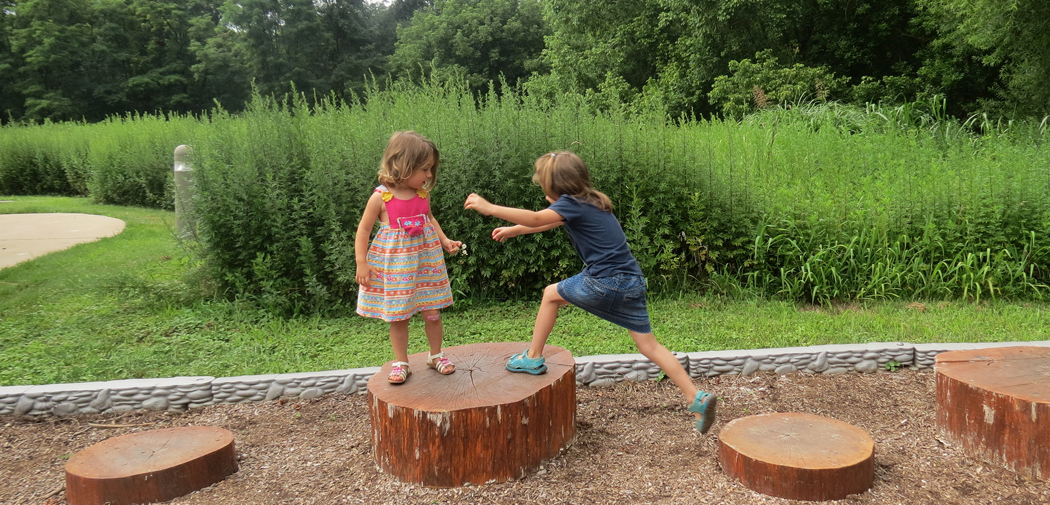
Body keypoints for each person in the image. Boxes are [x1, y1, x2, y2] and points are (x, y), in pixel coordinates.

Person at [463, 151, 717, 434]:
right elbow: (548, 221)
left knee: (550, 294)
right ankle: (695, 397)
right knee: (649, 346)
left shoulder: (571, 204)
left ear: (555, 187)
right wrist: (515, 231)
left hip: (606, 282)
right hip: (632, 281)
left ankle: (533, 358)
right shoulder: (593, 201)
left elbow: (537, 218)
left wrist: (490, 207)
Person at [356, 131, 462, 384]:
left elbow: (430, 220)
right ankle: (401, 361)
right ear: (404, 165)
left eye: (430, 169)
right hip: (396, 268)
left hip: (425, 265)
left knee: (432, 312)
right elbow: (363, 229)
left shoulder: (422, 195)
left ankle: (435, 355)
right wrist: (362, 262)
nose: (429, 176)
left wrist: (445, 240)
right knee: (399, 316)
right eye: (425, 169)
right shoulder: (381, 197)